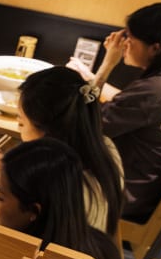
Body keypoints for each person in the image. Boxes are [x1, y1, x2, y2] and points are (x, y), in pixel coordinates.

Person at [67, 2, 161, 221]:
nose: (124, 44)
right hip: (147, 184)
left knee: (44, 171)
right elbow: (133, 105)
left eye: (131, 40)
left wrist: (107, 65)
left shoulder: (153, 91)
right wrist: (89, 76)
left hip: (122, 192)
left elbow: (85, 124)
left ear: (155, 48)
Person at [15, 66, 126, 236]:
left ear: (48, 132)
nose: (18, 129)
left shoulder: (52, 183)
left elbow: (15, 230)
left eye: (21, 123)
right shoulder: (106, 147)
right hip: (93, 254)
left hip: (51, 258)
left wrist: (7, 180)